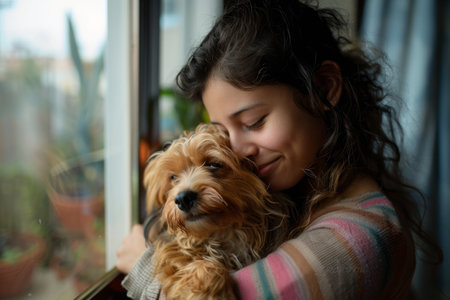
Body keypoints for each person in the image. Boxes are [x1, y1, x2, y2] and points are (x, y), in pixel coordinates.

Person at [116, 0, 442, 299]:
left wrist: (144, 267)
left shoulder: (354, 243)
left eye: (254, 122)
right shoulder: (300, 197)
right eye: (223, 131)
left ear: (325, 89)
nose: (237, 151)